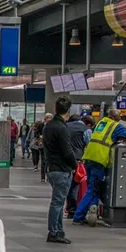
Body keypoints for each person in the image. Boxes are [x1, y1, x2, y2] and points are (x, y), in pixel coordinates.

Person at [73, 106, 126, 227]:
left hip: (89, 157)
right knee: (93, 188)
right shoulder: (116, 126)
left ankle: (93, 210)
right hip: (99, 159)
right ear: (116, 119)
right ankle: (78, 216)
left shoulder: (100, 123)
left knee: (94, 188)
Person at [42, 96, 77, 244]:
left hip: (50, 167)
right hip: (62, 169)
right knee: (58, 202)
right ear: (68, 111)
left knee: (58, 201)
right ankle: (54, 232)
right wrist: (75, 164)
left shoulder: (48, 126)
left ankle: (58, 230)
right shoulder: (62, 128)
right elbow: (67, 151)